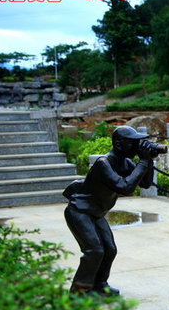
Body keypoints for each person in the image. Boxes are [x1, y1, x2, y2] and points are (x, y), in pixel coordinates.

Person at [63, 126, 155, 296]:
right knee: (94, 250)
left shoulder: (125, 163)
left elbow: (145, 184)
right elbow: (124, 187)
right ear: (119, 144)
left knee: (110, 249)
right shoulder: (103, 164)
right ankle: (79, 291)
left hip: (96, 212)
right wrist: (142, 163)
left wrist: (149, 161)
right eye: (133, 142)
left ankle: (99, 284)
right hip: (79, 211)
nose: (137, 146)